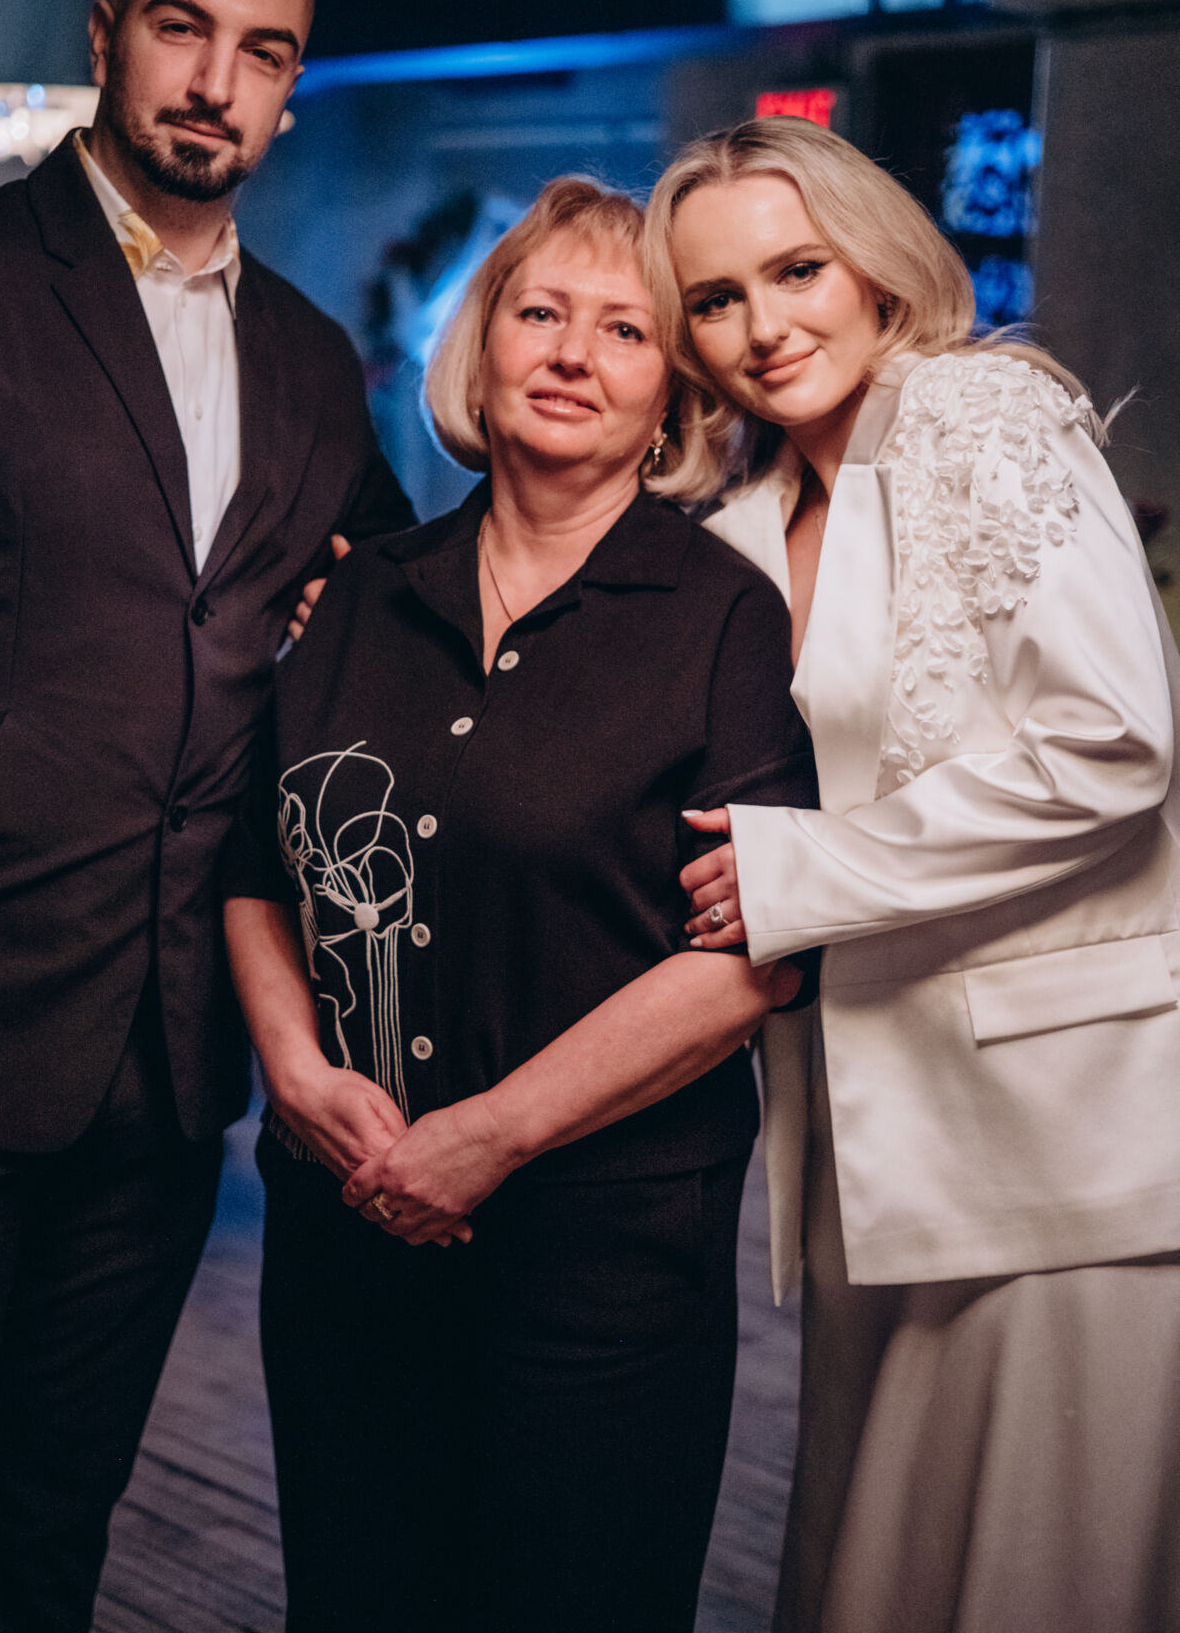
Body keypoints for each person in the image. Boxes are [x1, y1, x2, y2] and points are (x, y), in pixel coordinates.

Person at [0, 0, 411, 1632]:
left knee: (55, 1524)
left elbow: (383, 608)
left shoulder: (314, 361)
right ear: (109, 38)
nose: (215, 82)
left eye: (263, 51)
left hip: (173, 1062)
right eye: (184, 30)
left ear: (292, 86)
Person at [222, 175, 817, 1633]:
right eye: (540, 313)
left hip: (604, 1262)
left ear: (670, 396)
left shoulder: (723, 618)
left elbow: (750, 959)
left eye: (624, 330)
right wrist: (295, 1075)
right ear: (479, 347)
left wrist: (489, 1135)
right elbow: (254, 869)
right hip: (348, 1229)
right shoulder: (358, 597)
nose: (571, 354)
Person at [643, 115, 1180, 1633]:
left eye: (797, 270)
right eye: (715, 298)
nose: (764, 326)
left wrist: (804, 872)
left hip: (1068, 1137)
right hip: (870, 1147)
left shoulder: (981, 416)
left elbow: (1117, 741)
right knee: (879, 1568)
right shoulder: (737, 524)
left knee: (1042, 1576)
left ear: (877, 267)